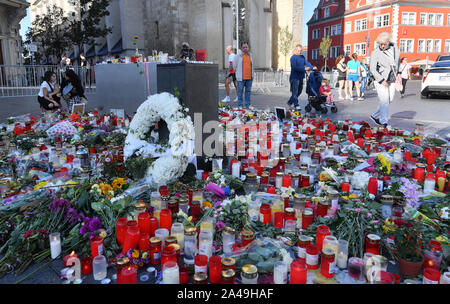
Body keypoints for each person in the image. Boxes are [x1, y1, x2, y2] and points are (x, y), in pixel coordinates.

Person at [370, 32, 401, 128]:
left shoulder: (394, 48)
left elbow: (398, 61)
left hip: (392, 78)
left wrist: (399, 73)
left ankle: (374, 115)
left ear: (388, 42)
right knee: (384, 101)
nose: (382, 46)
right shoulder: (375, 52)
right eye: (380, 44)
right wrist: (381, 80)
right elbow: (372, 69)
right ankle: (384, 122)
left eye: (384, 44)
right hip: (380, 78)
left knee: (389, 99)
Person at [288, 44, 314, 110]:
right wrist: (304, 68)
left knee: (299, 91)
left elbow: (307, 63)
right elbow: (294, 67)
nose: (300, 52)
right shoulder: (293, 58)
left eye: (301, 51)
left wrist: (312, 67)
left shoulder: (302, 57)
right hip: (294, 78)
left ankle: (290, 102)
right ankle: (296, 105)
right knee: (295, 92)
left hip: (301, 77)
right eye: (298, 51)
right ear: (295, 50)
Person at [234, 42, 254, 109]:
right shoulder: (238, 56)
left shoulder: (250, 55)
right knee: (240, 92)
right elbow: (234, 66)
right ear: (241, 48)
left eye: (246, 47)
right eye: (244, 47)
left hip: (249, 77)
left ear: (248, 48)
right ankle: (240, 105)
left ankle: (248, 105)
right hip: (241, 78)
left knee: (248, 92)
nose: (245, 48)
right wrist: (237, 75)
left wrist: (252, 75)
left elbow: (252, 66)